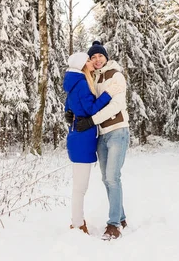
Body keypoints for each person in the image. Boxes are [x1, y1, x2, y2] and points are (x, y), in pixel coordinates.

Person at [75, 41, 130, 240]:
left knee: (112, 178)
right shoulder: (92, 78)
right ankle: (121, 217)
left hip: (117, 131)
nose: (97, 60)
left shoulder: (116, 75)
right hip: (102, 134)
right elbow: (89, 103)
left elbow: (116, 105)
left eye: (100, 56)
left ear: (106, 57)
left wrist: (91, 121)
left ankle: (114, 225)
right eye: (93, 57)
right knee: (107, 179)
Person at [63, 52, 121, 235]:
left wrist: (69, 114)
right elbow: (90, 109)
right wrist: (107, 94)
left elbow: (69, 106)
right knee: (80, 187)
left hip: (79, 137)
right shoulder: (81, 83)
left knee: (80, 186)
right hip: (82, 139)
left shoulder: (75, 82)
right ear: (82, 65)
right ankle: (78, 224)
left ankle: (78, 222)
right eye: (88, 60)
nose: (91, 62)